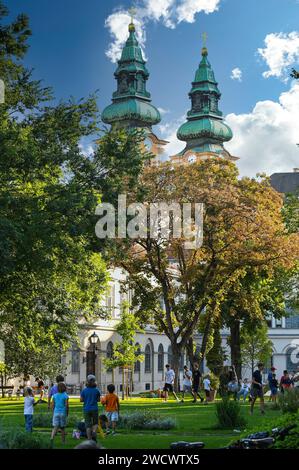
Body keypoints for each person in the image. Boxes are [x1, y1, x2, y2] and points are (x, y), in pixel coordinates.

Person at [80, 374, 101, 441]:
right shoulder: (97, 390)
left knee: (88, 425)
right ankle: (94, 431)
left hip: (86, 409)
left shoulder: (84, 390)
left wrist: (86, 399)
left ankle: (89, 439)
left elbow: (81, 400)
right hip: (94, 408)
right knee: (95, 423)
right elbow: (98, 400)